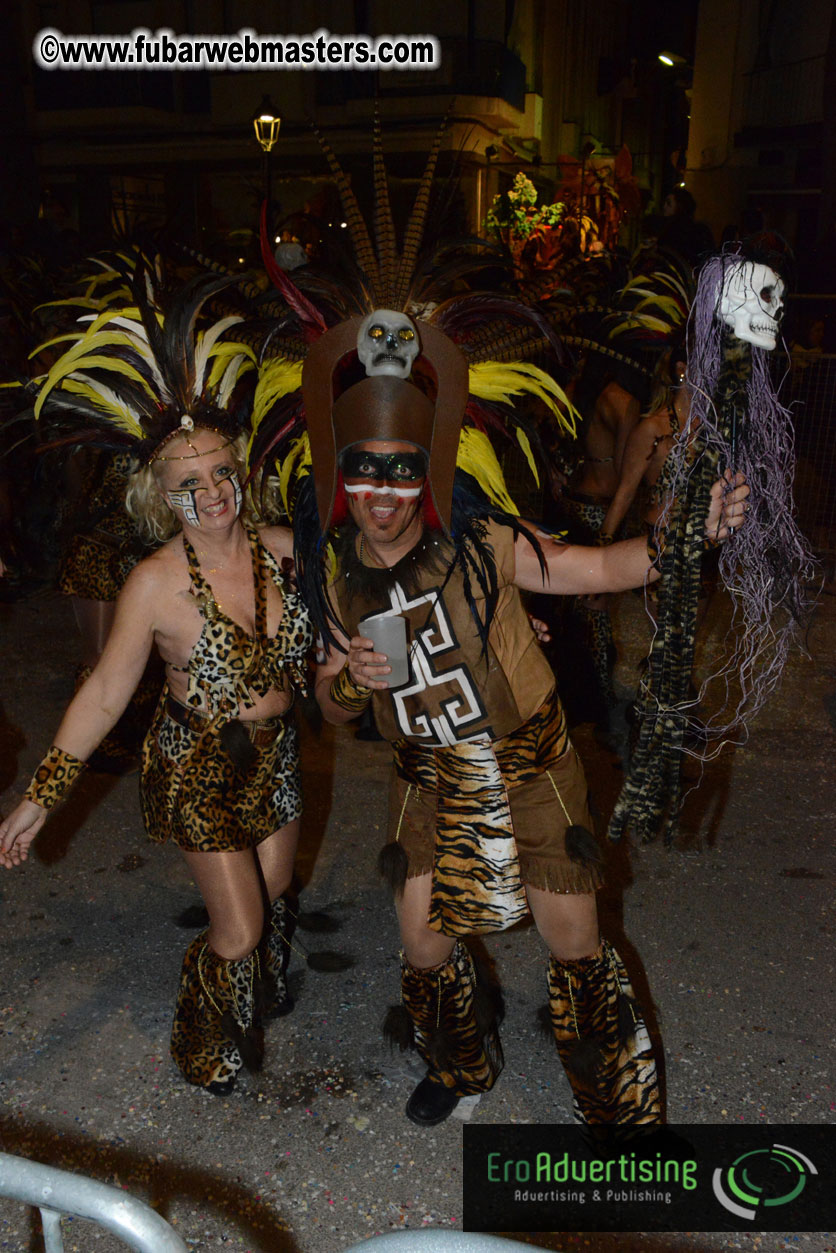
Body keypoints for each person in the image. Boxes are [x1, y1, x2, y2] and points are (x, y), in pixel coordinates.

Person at [297, 316, 748, 1130]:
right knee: (425, 944)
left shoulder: (485, 540)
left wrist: (694, 531)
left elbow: (604, 567)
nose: (383, 497)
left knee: (571, 935)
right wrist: (353, 685)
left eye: (401, 474)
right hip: (428, 779)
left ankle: (617, 1103)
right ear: (341, 476)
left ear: (427, 471)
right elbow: (326, 705)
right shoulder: (335, 575)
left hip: (530, 763)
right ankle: (461, 1060)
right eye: (365, 474)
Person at [0, 282, 314, 1094]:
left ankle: (246, 979)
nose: (211, 492)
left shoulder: (286, 549)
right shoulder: (154, 582)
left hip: (278, 756)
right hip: (197, 765)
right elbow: (106, 691)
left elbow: (371, 587)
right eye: (188, 482)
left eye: (219, 472)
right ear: (158, 493)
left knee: (274, 890)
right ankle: (199, 1035)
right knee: (241, 928)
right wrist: (42, 796)